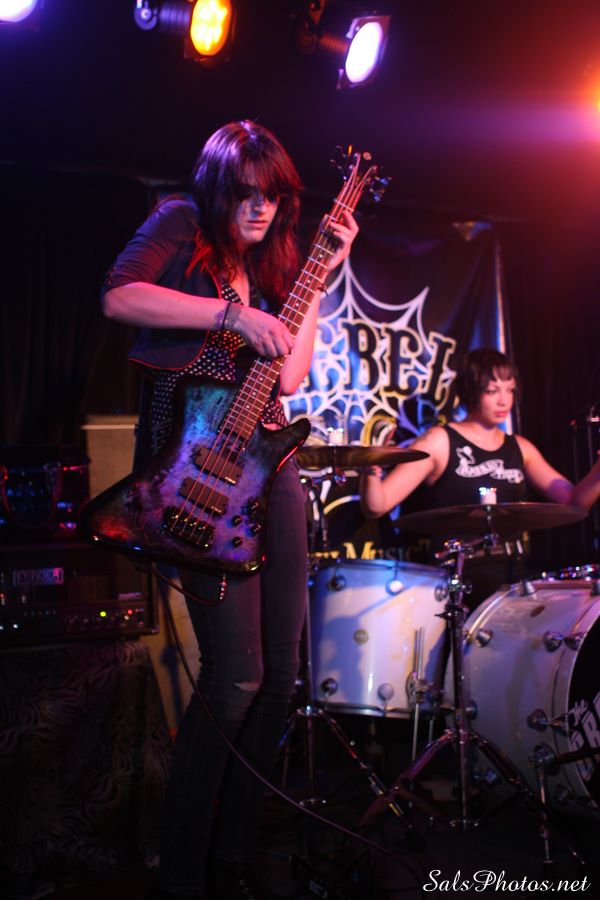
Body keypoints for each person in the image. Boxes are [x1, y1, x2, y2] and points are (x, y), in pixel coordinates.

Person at [100, 120, 358, 900]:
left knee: (281, 679)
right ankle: (182, 870)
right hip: (198, 476)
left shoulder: (273, 260)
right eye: (245, 194)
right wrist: (229, 315)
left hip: (272, 471)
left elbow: (290, 378)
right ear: (218, 190)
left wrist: (322, 276)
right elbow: (119, 296)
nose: (259, 209)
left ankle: (233, 858)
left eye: (272, 197)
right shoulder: (181, 223)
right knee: (235, 677)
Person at [360, 347, 600, 605]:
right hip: (458, 580)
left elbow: (573, 502)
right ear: (471, 391)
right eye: (492, 391)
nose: (504, 401)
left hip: (514, 579)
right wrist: (370, 470)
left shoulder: (520, 447)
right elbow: (377, 505)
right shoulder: (439, 441)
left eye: (510, 390)